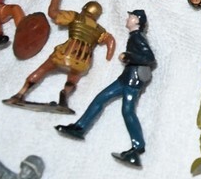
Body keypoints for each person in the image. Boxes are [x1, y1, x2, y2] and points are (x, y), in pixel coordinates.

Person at [56, 10, 156, 167]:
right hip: (125, 78)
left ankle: (137, 149)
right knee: (100, 98)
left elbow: (149, 58)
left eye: (131, 17)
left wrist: (128, 57)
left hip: (133, 82)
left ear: (137, 21)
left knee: (128, 111)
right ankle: (80, 127)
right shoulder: (134, 36)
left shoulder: (137, 37)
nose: (127, 19)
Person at [7, 0, 115, 110]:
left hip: (65, 54)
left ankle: (20, 93)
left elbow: (53, 14)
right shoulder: (99, 29)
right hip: (83, 59)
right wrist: (109, 54)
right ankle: (64, 98)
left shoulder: (76, 17)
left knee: (43, 69)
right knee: (73, 79)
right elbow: (110, 40)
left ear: (84, 8)